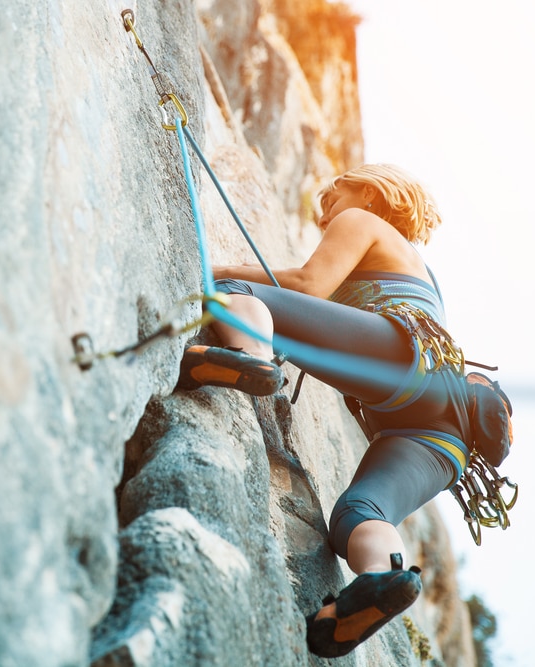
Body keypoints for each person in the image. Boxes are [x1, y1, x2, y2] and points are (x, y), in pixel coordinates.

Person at [176, 164, 472, 658]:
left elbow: (309, 284)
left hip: (403, 361)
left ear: (373, 194)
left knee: (236, 296)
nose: (327, 208)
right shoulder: (422, 272)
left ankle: (251, 359)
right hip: (444, 432)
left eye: (335, 193)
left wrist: (223, 271)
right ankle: (379, 581)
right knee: (358, 515)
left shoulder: (364, 220)